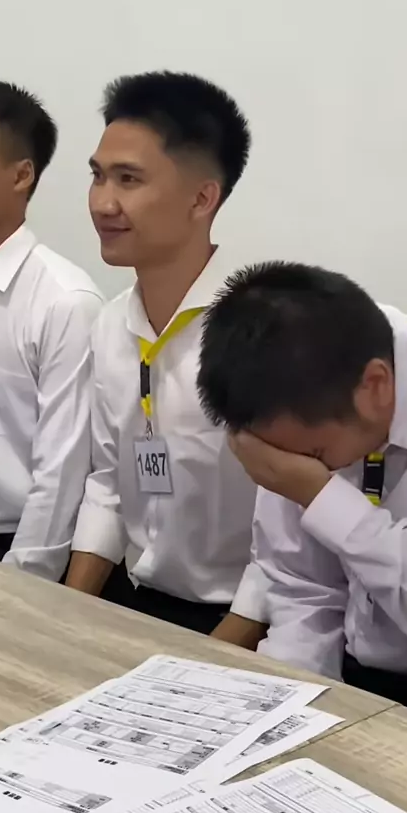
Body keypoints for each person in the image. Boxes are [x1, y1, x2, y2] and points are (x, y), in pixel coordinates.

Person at [66, 71, 263, 639]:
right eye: (98, 176)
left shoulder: (261, 334)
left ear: (203, 198)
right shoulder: (111, 324)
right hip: (131, 599)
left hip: (238, 623)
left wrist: (217, 654)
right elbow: (108, 482)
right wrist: (66, 616)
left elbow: (290, 536)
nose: (103, 203)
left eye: (128, 179)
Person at [197, 260, 407, 711]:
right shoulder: (292, 396)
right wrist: (281, 707)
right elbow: (302, 591)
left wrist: (321, 496)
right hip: (359, 676)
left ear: (376, 385)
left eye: (314, 456)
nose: (295, 470)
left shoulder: (326, 382)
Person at [0, 79, 103, 579]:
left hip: (28, 557)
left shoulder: (65, 301)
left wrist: (19, 588)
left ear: (21, 175)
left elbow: (61, 476)